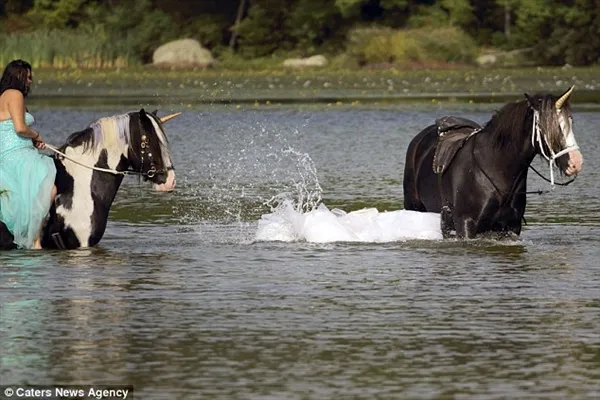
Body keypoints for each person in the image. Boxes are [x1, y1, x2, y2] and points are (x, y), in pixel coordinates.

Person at [0, 59, 57, 249]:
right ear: (18, 76)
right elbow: (19, 127)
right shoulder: (15, 94)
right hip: (18, 155)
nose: (30, 81)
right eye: (28, 77)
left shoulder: (3, 96)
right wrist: (36, 134)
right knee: (50, 189)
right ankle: (35, 239)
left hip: (10, 153)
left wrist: (32, 140)